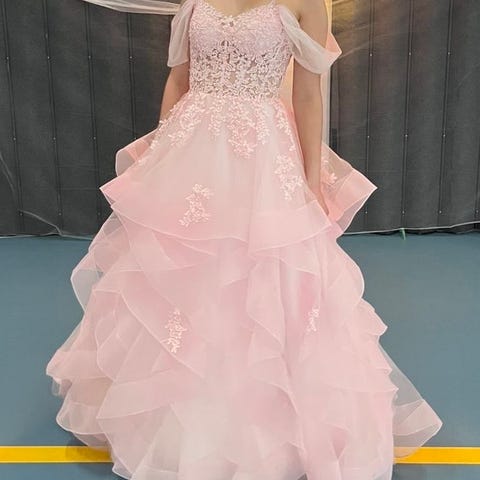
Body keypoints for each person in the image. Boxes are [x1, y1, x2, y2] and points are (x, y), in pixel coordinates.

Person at [46, 1, 443, 479]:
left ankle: (264, 424)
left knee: (263, 276)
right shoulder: (194, 2)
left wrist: (311, 182)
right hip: (191, 150)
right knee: (181, 278)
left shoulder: (305, 4)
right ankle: (176, 420)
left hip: (263, 155)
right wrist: (158, 152)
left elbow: (308, 94)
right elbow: (178, 79)